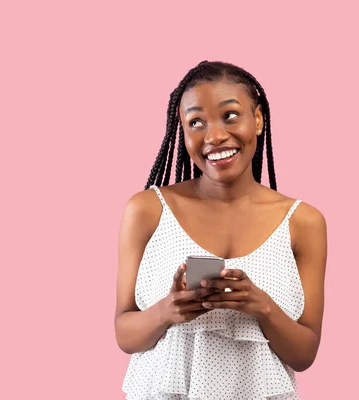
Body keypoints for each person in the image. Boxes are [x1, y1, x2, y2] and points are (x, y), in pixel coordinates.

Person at [114, 61, 327, 399]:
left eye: (230, 115)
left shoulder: (304, 222)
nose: (213, 136)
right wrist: (168, 310)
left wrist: (262, 306)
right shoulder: (146, 209)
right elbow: (124, 334)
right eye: (196, 122)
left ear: (257, 119)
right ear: (182, 132)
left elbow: (304, 354)